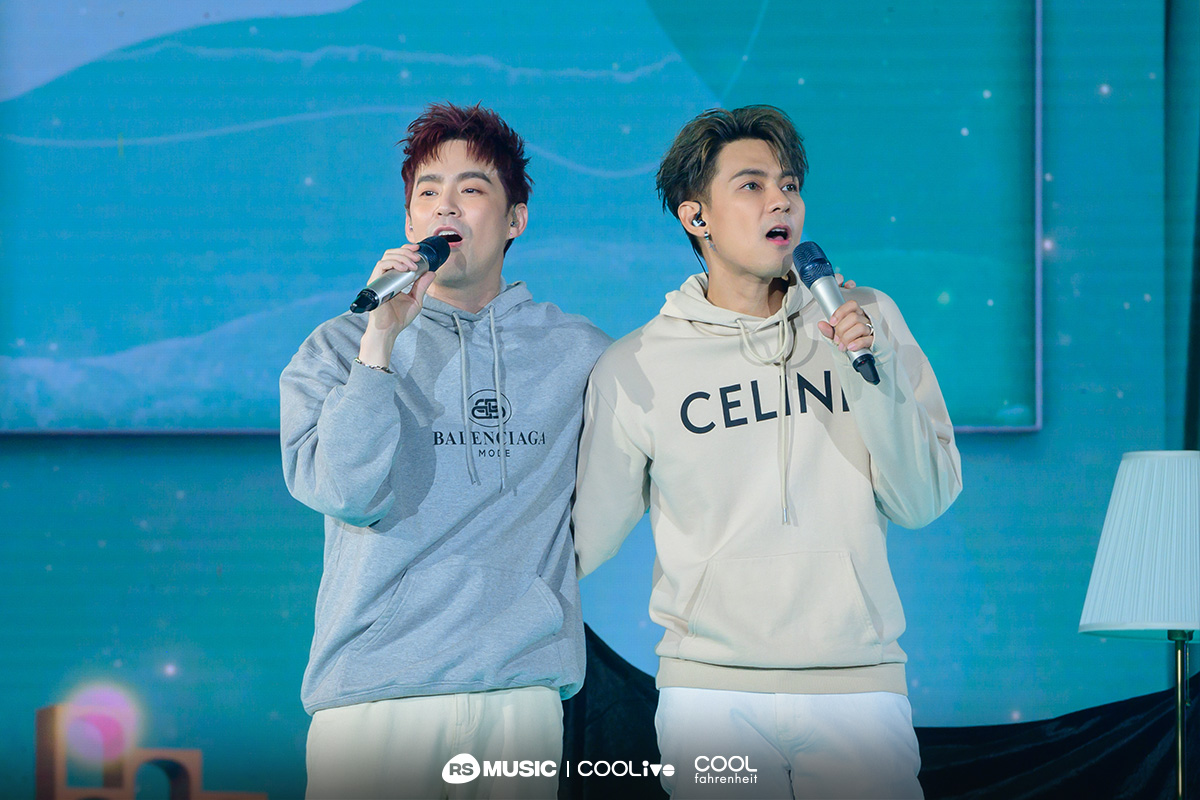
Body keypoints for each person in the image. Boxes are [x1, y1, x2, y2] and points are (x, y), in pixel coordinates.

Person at [572, 105, 963, 799]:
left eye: (789, 185)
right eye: (751, 185)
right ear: (697, 217)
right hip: (709, 697)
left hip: (857, 688)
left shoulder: (867, 318)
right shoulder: (639, 365)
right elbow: (583, 540)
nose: (780, 200)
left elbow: (923, 501)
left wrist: (870, 372)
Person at [280, 102, 610, 800]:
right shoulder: (336, 347)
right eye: (428, 191)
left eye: (472, 188)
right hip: (373, 697)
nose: (446, 206)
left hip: (518, 696)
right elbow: (345, 492)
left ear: (515, 219)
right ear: (410, 224)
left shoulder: (579, 353)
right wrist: (379, 343)